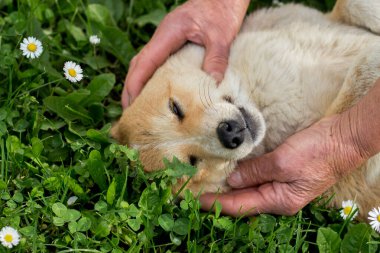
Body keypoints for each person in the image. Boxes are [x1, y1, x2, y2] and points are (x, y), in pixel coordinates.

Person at [122, 0, 380, 216]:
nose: (222, 134)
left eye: (177, 109)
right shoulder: (292, 139)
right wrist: (348, 142)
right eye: (192, 162)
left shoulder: (252, 34)